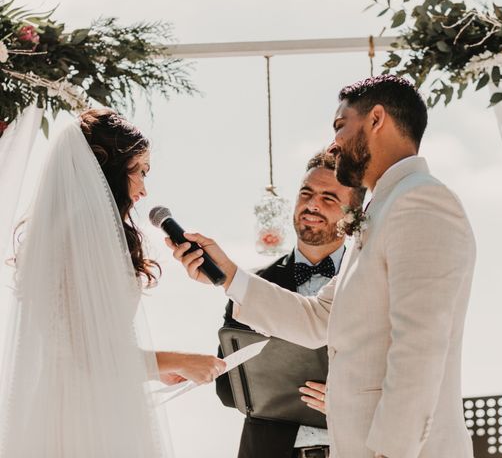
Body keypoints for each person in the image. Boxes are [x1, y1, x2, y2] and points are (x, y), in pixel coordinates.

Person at [168, 75, 476, 458]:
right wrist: (228, 275)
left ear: (376, 119)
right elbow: (320, 317)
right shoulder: (384, 208)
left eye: (340, 126)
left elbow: (420, 347)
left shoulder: (420, 202)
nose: (335, 143)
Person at [0, 109, 225, 458]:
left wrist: (155, 370)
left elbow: (82, 348)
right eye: (141, 172)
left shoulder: (63, 230)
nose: (144, 190)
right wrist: (179, 360)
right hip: (83, 418)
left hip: (65, 403)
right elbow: (87, 356)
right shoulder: (83, 233)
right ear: (111, 170)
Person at [215, 151, 365, 458]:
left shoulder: (370, 281)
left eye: (328, 198)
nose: (312, 205)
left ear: (354, 213)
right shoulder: (251, 286)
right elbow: (227, 388)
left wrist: (351, 398)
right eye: (306, 193)